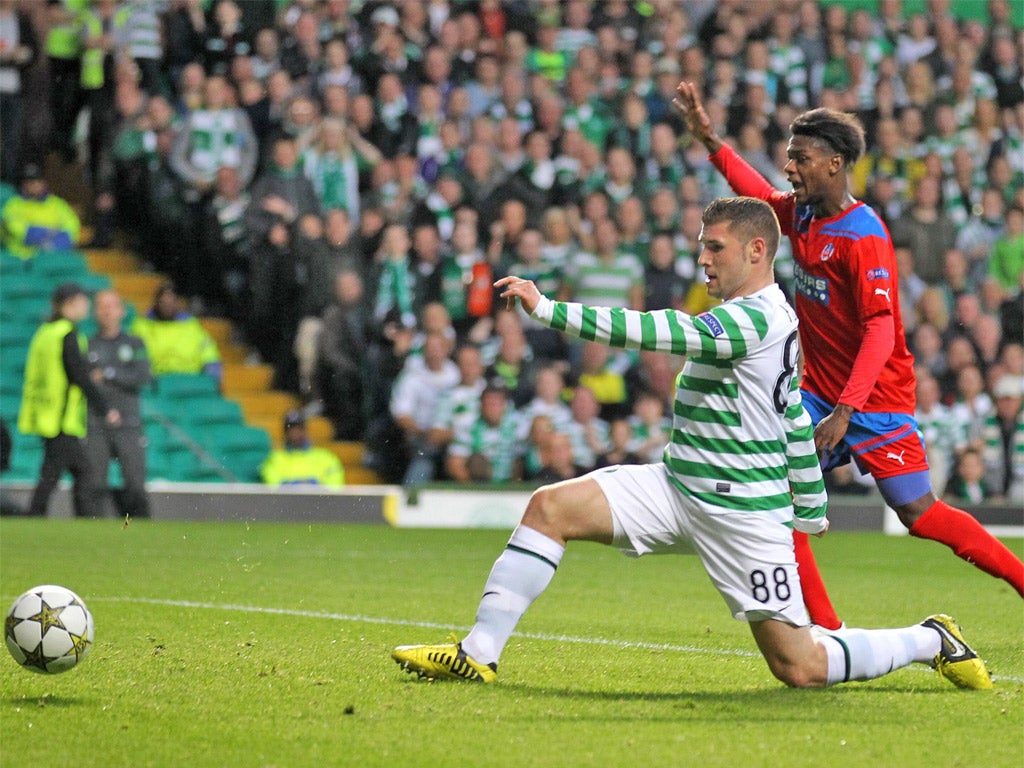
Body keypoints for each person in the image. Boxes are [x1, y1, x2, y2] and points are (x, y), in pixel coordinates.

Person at [391, 197, 991, 692]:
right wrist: (811, 505)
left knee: (800, 668)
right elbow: (789, 418)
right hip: (678, 486)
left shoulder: (752, 319)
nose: (701, 258)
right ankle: (478, 652)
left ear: (757, 251)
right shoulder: (766, 313)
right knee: (550, 507)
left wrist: (549, 309)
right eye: (701, 244)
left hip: (741, 515)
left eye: (714, 247)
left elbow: (659, 329)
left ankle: (928, 638)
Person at [672, 82, 1024, 628]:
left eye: (801, 159)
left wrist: (847, 410)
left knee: (918, 513)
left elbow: (882, 330)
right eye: (790, 158)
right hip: (818, 393)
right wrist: (712, 140)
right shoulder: (806, 215)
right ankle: (826, 632)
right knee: (783, 492)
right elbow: (761, 199)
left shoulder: (863, 236)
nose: (791, 168)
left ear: (835, 164)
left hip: (875, 399)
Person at [19, 283, 120, 517]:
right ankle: (60, 518)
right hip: (61, 417)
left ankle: (40, 516)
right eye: (83, 301)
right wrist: (105, 408)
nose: (87, 306)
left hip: (45, 413)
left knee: (62, 472)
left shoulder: (45, 332)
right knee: (77, 473)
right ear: (70, 304)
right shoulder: (67, 333)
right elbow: (78, 376)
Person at [86, 290, 152, 518]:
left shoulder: (134, 343)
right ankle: (94, 539)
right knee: (94, 483)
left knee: (135, 484)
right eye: (101, 306)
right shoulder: (88, 343)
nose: (106, 311)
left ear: (122, 311)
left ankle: (142, 533)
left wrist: (108, 374)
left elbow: (143, 376)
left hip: (128, 421)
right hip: (95, 422)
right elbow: (86, 381)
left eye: (111, 306)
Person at [130, 283, 222, 384]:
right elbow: (135, 356)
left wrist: (213, 375)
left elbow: (209, 354)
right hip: (157, 383)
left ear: (177, 303)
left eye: (171, 303)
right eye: (163, 303)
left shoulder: (192, 327)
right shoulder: (141, 327)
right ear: (156, 303)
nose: (167, 307)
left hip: (190, 382)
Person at [0, 162, 80, 259]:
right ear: (23, 184)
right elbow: (14, 227)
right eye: (30, 182)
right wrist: (45, 233)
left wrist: (57, 242)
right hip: (23, 258)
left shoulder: (56, 203)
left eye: (38, 181)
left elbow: (72, 224)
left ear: (44, 182)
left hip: (54, 254)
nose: (35, 185)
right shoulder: (13, 204)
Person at [260, 411, 344, 487]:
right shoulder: (274, 458)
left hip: (318, 503)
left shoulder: (326, 457)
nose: (295, 433)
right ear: (285, 433)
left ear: (305, 430)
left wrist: (314, 488)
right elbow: (273, 485)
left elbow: (334, 487)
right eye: (291, 429)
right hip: (287, 503)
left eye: (299, 429)